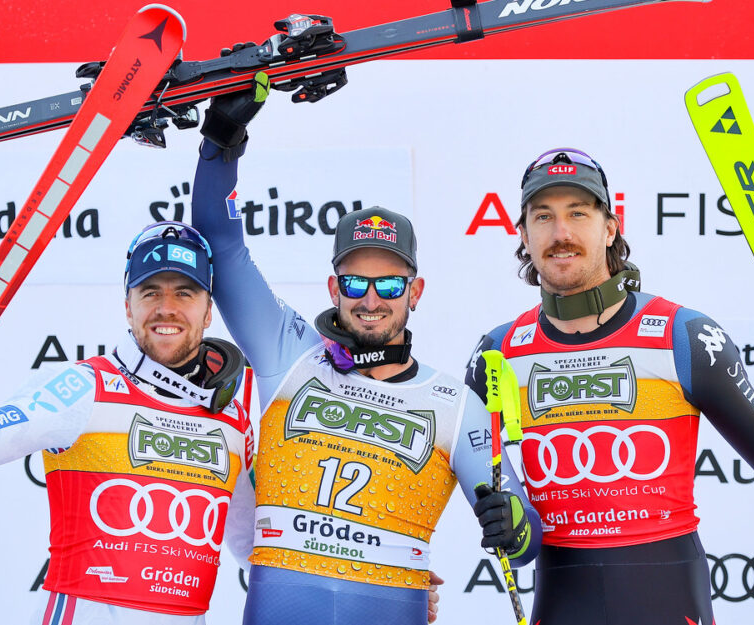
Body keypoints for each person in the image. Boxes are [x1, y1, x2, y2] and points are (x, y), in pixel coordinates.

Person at [0, 85, 272, 624]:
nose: (166, 308)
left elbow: (257, 543)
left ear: (208, 310)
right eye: (150, 292)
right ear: (127, 306)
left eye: (185, 293)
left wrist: (367, 583)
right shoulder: (86, 387)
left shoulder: (237, 404)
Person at [464, 147, 754, 624]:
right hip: (562, 602)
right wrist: (509, 527)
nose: (561, 233)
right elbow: (519, 534)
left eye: (578, 213)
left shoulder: (682, 335)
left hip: (671, 602)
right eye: (543, 216)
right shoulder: (497, 353)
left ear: (610, 228)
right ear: (522, 234)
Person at [188, 108, 543, 623]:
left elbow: (524, 535)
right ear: (334, 288)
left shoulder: (457, 406)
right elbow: (220, 242)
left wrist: (514, 526)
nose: (371, 299)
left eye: (390, 284)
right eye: (355, 283)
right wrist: (221, 140)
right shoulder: (290, 354)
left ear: (415, 292)